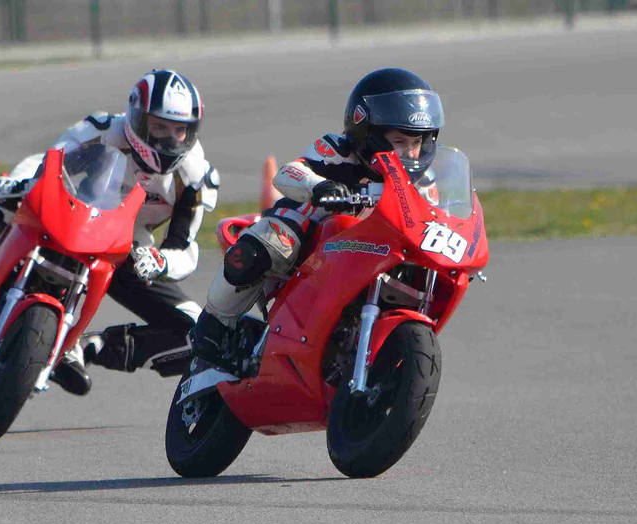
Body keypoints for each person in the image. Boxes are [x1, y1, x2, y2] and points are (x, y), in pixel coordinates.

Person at [0, 69, 220, 395]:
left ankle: (87, 348)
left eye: (179, 131)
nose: (168, 139)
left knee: (201, 332)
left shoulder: (196, 177)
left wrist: (159, 261)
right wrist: (20, 186)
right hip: (68, 211)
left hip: (126, 248)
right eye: (159, 127)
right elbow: (50, 162)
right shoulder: (100, 129)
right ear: (136, 116)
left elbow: (185, 249)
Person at [189, 67, 445, 375]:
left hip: (374, 253)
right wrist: (319, 186)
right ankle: (211, 329)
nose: (409, 152)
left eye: (416, 142)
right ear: (369, 132)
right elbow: (287, 173)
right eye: (399, 140)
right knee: (270, 242)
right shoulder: (338, 150)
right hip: (312, 237)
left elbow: (435, 221)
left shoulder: (424, 184)